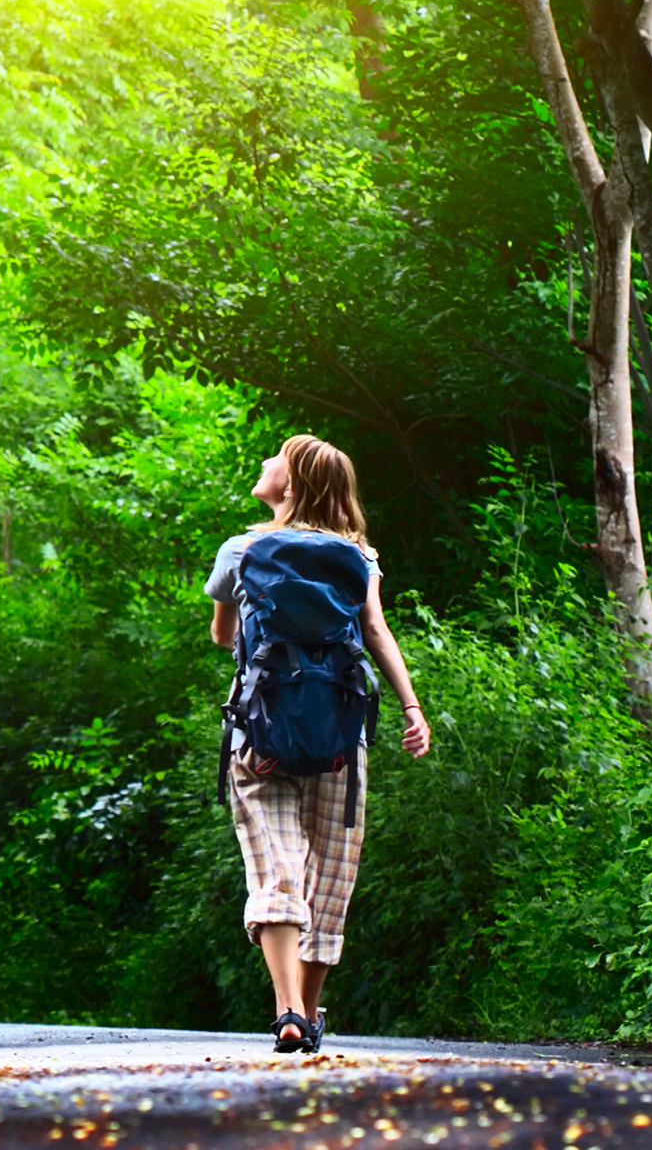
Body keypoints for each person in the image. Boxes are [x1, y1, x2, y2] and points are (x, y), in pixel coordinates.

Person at [204, 433, 431, 1054]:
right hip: (340, 735)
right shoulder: (357, 555)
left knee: (275, 869)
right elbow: (376, 632)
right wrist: (412, 707)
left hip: (260, 733)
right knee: (330, 874)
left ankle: (286, 1013)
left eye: (275, 457)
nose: (264, 462)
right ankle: (308, 1010)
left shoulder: (242, 549)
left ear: (293, 483)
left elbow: (223, 638)